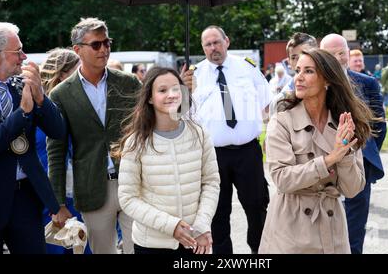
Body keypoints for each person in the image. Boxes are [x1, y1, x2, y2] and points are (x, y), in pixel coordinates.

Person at [259, 48, 371, 253]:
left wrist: (344, 155)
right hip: (291, 228)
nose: (298, 77)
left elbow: (353, 189)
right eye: (298, 70)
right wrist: (329, 159)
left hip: (333, 230)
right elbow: (282, 179)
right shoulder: (282, 121)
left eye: (308, 71)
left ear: (327, 80)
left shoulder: (343, 123)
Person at [47, 17, 141, 254]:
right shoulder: (61, 94)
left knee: (139, 249)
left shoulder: (129, 83)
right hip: (92, 188)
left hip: (134, 182)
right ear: (77, 50)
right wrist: (57, 202)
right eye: (96, 45)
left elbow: (149, 129)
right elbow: (56, 151)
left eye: (107, 43)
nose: (104, 49)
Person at [184, 25, 271, 254]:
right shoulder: (194, 75)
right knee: (218, 212)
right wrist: (184, 90)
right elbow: (182, 115)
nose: (213, 48)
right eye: (208, 45)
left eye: (217, 42)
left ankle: (258, 251)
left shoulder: (247, 68)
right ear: (202, 48)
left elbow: (265, 101)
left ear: (227, 41)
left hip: (247, 152)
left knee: (256, 206)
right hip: (213, 155)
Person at [115, 66, 220, 255]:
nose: (171, 95)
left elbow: (211, 182)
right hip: (152, 245)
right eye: (162, 90)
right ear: (149, 98)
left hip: (194, 240)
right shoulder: (136, 142)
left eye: (175, 88)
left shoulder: (200, 134)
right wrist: (171, 226)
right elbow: (128, 198)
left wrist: (202, 224)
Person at [0, 22, 65, 254]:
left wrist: (40, 97)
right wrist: (22, 113)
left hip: (26, 196)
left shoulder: (20, 87)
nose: (24, 56)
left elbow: (58, 131)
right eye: (18, 51)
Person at [320, 33, 386, 254]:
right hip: (324, 163)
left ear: (348, 53)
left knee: (355, 228)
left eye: (342, 53)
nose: (338, 59)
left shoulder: (368, 84)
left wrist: (364, 152)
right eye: (331, 54)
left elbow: (379, 126)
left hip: (359, 163)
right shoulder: (316, 85)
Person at [36, 48, 93, 254]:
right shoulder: (41, 108)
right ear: (62, 74)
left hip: (79, 194)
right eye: (79, 70)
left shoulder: (80, 103)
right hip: (51, 196)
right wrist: (56, 204)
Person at [269, 32, 318, 116]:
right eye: (294, 57)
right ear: (289, 62)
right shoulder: (282, 101)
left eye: (306, 54)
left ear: (318, 56)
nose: (300, 60)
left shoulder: (330, 91)